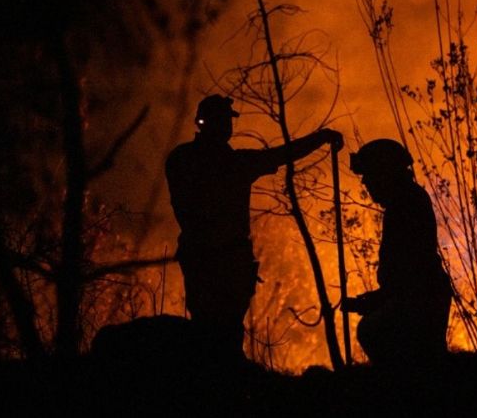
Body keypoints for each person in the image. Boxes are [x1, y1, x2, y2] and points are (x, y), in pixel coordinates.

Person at [166, 94, 342, 358]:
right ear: (205, 122)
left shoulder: (182, 159)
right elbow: (282, 155)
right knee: (222, 329)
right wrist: (321, 138)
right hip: (222, 258)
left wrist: (320, 138)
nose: (227, 126)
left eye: (228, 120)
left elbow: (281, 155)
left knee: (209, 327)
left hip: (205, 256)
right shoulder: (232, 164)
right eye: (223, 120)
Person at [342, 139, 452, 365]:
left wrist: (380, 300)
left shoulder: (406, 206)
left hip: (421, 298)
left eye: (370, 175)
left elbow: (411, 271)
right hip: (423, 295)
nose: (365, 183)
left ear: (385, 173)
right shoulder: (405, 203)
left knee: (374, 331)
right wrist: (378, 298)